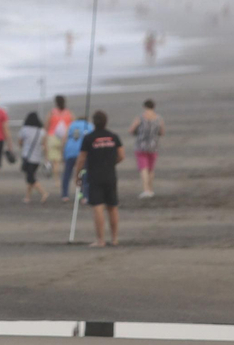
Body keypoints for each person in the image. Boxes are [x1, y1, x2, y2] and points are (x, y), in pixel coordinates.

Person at [78, 111, 123, 247]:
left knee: (98, 207)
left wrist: (78, 175)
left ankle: (100, 240)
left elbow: (81, 159)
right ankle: (114, 239)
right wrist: (111, 163)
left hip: (95, 176)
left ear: (94, 122)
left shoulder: (89, 138)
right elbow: (121, 155)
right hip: (110, 175)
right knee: (112, 207)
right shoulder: (113, 137)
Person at [127, 100, 165, 199]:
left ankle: (146, 190)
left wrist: (137, 132)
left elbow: (131, 130)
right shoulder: (159, 118)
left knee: (144, 168)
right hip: (153, 146)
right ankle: (151, 190)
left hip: (141, 146)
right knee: (151, 169)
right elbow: (162, 132)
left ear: (144, 106)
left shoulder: (140, 117)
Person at [60, 113, 93, 202]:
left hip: (70, 151)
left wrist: (63, 153)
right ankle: (85, 196)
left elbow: (64, 138)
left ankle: (65, 195)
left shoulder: (72, 125)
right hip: (83, 152)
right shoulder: (89, 125)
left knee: (67, 174)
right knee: (84, 174)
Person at [17, 112, 49, 204]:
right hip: (37, 158)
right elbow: (45, 145)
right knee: (30, 176)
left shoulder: (24, 130)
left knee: (30, 178)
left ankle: (43, 193)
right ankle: (27, 197)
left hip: (27, 156)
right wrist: (46, 158)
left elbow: (20, 143)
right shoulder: (42, 131)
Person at [44, 95, 73, 179]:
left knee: (55, 162)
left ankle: (56, 180)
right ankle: (64, 178)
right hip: (65, 138)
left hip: (53, 137)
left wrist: (44, 140)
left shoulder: (52, 112)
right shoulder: (68, 113)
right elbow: (72, 125)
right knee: (63, 160)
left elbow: (46, 126)